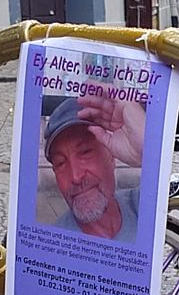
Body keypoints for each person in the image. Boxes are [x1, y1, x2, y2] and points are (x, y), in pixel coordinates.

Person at [41, 94, 145, 243]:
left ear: (111, 155)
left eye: (85, 153)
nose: (76, 176)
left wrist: (144, 153)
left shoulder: (140, 205)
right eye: (61, 163)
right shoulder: (54, 247)